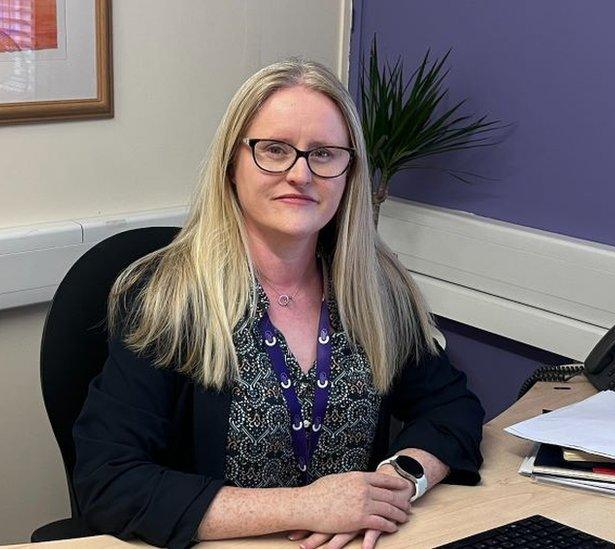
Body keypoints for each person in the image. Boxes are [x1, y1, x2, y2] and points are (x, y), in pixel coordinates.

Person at [72, 59, 485, 549]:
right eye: (274, 150)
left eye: (325, 154)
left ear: (349, 174)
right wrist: (303, 505)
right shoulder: (168, 299)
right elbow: (110, 480)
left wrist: (398, 481)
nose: (300, 174)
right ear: (232, 164)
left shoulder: (376, 288)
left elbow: (452, 408)